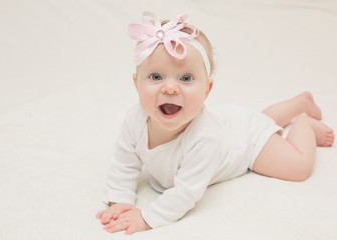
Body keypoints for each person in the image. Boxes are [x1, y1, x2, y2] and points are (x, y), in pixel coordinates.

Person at [96, 11, 335, 235]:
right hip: (235, 122)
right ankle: (299, 102)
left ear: (207, 90)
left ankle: (304, 123)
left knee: (297, 167)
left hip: (248, 145)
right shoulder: (134, 119)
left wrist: (147, 218)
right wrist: (120, 200)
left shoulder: (205, 138)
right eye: (156, 77)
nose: (170, 87)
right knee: (261, 120)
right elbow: (124, 163)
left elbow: (186, 193)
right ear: (136, 83)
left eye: (186, 78)